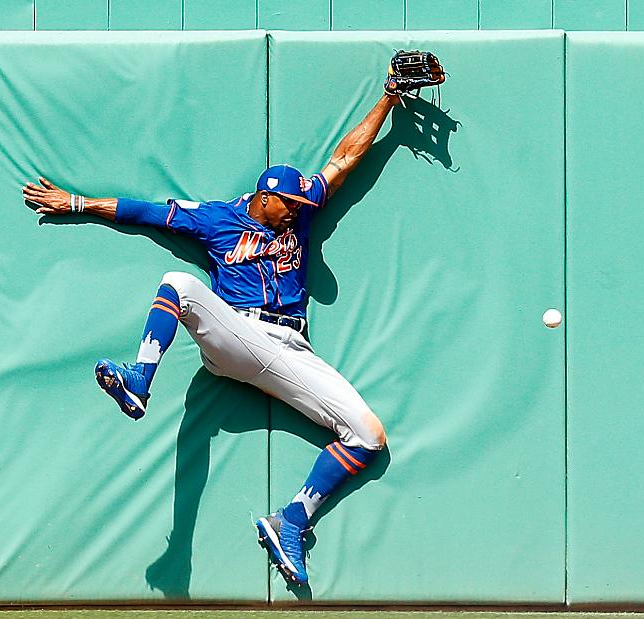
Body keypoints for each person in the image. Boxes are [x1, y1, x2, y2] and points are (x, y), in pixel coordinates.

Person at [22, 89, 399, 586]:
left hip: (291, 350)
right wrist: (75, 203)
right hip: (237, 331)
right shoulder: (219, 219)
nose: (297, 210)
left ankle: (291, 521)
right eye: (288, 203)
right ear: (264, 197)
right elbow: (145, 212)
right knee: (178, 283)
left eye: (300, 202)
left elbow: (345, 157)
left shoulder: (301, 209)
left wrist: (389, 98)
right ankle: (139, 377)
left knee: (369, 436)